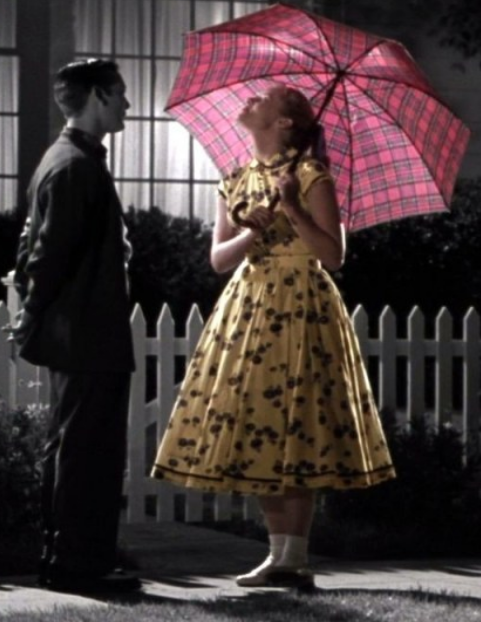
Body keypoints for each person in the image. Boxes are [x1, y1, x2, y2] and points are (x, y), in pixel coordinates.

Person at [150, 84, 396, 589]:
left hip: (302, 304)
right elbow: (218, 260)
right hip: (252, 304)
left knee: (296, 420)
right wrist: (253, 232)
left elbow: (332, 256)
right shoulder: (235, 181)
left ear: (285, 123)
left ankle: (295, 558)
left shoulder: (310, 176)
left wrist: (293, 207)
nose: (249, 101)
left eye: (263, 98)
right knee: (259, 422)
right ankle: (277, 555)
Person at [10, 58, 139, 593]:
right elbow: (45, 255)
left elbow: (32, 243)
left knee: (75, 445)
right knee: (88, 449)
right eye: (121, 93)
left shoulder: (65, 161)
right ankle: (79, 563)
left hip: (82, 328)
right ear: (97, 97)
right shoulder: (75, 167)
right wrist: (30, 314)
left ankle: (71, 555)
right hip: (87, 331)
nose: (128, 103)